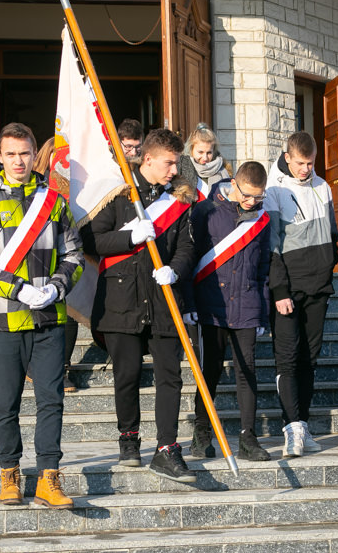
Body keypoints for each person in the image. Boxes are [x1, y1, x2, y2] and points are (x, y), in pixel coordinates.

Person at [0, 122, 84, 509]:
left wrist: (56, 287)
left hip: (48, 318)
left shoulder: (55, 201)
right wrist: (16, 288)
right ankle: (9, 474)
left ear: (35, 155)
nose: (18, 160)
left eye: (25, 153)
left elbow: (75, 256)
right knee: (5, 401)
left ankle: (49, 478)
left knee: (51, 399)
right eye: (10, 154)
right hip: (4, 318)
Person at [81, 128, 198, 482]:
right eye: (169, 163)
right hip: (121, 300)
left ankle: (167, 448)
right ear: (148, 159)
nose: (174, 171)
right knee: (127, 375)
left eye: (175, 164)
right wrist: (129, 237)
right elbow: (89, 238)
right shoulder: (117, 195)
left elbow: (187, 247)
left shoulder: (177, 202)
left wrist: (175, 270)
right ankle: (129, 440)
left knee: (170, 375)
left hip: (163, 300)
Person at [189, 161, 271, 462]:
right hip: (213, 305)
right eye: (247, 195)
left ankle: (249, 438)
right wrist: (190, 304)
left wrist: (262, 314)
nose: (252, 203)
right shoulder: (206, 211)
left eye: (258, 198)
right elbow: (192, 257)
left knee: (247, 372)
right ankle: (201, 434)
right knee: (209, 371)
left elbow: (263, 269)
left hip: (247, 304)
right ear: (233, 183)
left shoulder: (262, 220)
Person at [267, 131, 338, 457]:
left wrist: (329, 266)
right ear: (287, 156)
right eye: (299, 163)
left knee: (310, 359)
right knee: (288, 359)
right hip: (288, 290)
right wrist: (280, 289)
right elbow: (271, 246)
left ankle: (304, 425)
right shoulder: (275, 190)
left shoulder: (323, 187)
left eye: (310, 163)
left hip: (318, 286)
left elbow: (332, 233)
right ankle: (291, 427)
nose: (305, 169)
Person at [32, 137, 78, 393]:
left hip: (67, 251)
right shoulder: (36, 186)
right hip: (37, 256)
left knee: (69, 308)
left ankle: (63, 367)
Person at [178, 123, 232, 200]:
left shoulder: (223, 171)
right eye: (200, 152)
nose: (205, 158)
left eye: (209, 153)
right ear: (191, 150)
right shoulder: (180, 170)